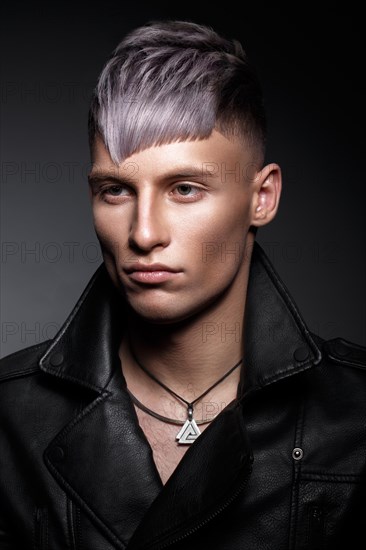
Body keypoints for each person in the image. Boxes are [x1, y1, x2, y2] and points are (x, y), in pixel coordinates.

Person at [0, 18, 365, 550]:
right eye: (116, 191)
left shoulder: (355, 417)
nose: (143, 233)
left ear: (261, 198)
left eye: (185, 188)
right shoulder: (10, 418)